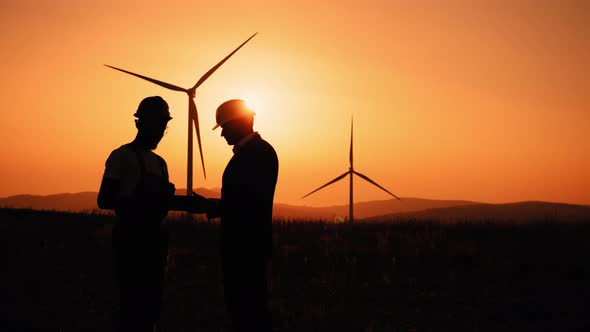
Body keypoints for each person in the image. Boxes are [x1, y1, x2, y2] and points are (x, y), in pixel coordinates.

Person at [97, 96, 206, 332]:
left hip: (154, 238)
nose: (160, 132)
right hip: (130, 238)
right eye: (156, 125)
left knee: (152, 303)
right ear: (139, 124)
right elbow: (104, 199)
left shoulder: (161, 163)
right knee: (130, 302)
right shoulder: (121, 156)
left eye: (163, 127)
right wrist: (140, 201)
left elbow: (162, 203)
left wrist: (203, 205)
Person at [207, 99, 279, 332]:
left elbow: (246, 203)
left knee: (248, 312)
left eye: (225, 127)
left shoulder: (257, 153)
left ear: (241, 122)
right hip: (246, 247)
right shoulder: (256, 152)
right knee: (245, 310)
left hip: (246, 247)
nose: (222, 134)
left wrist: (210, 207)